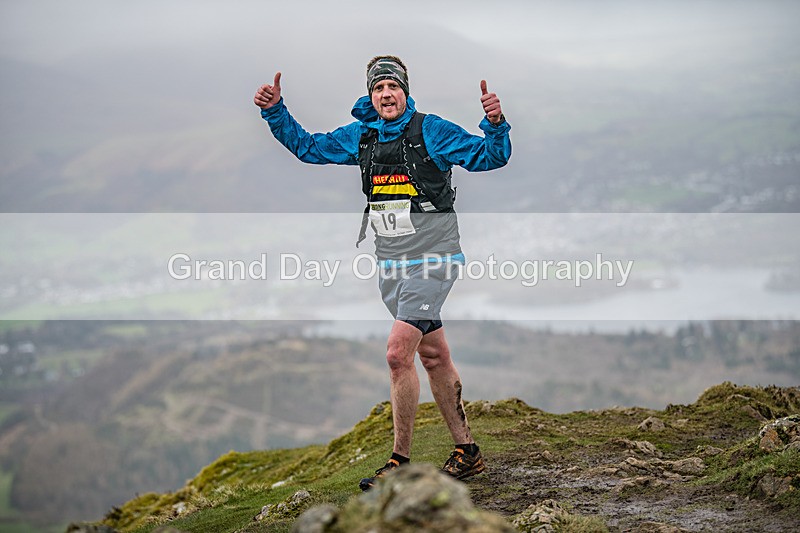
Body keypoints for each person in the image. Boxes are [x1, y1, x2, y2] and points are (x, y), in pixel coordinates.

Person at [254, 55, 511, 490]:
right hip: (390, 262)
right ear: (370, 96)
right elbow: (309, 148)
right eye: (378, 88)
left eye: (393, 86)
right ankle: (467, 452)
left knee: (397, 353)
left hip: (434, 258)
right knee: (433, 356)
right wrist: (275, 111)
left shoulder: (431, 130)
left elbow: (491, 157)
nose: (386, 94)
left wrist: (496, 122)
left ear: (405, 91)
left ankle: (399, 464)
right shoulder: (361, 136)